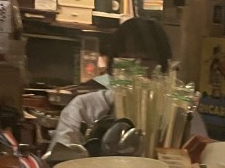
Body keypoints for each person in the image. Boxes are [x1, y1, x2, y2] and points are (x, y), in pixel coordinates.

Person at [47, 17, 202, 153]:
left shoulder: (180, 113)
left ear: (164, 66)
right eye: (126, 59)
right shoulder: (84, 107)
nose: (135, 68)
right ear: (113, 63)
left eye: (145, 59)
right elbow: (60, 159)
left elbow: (202, 163)